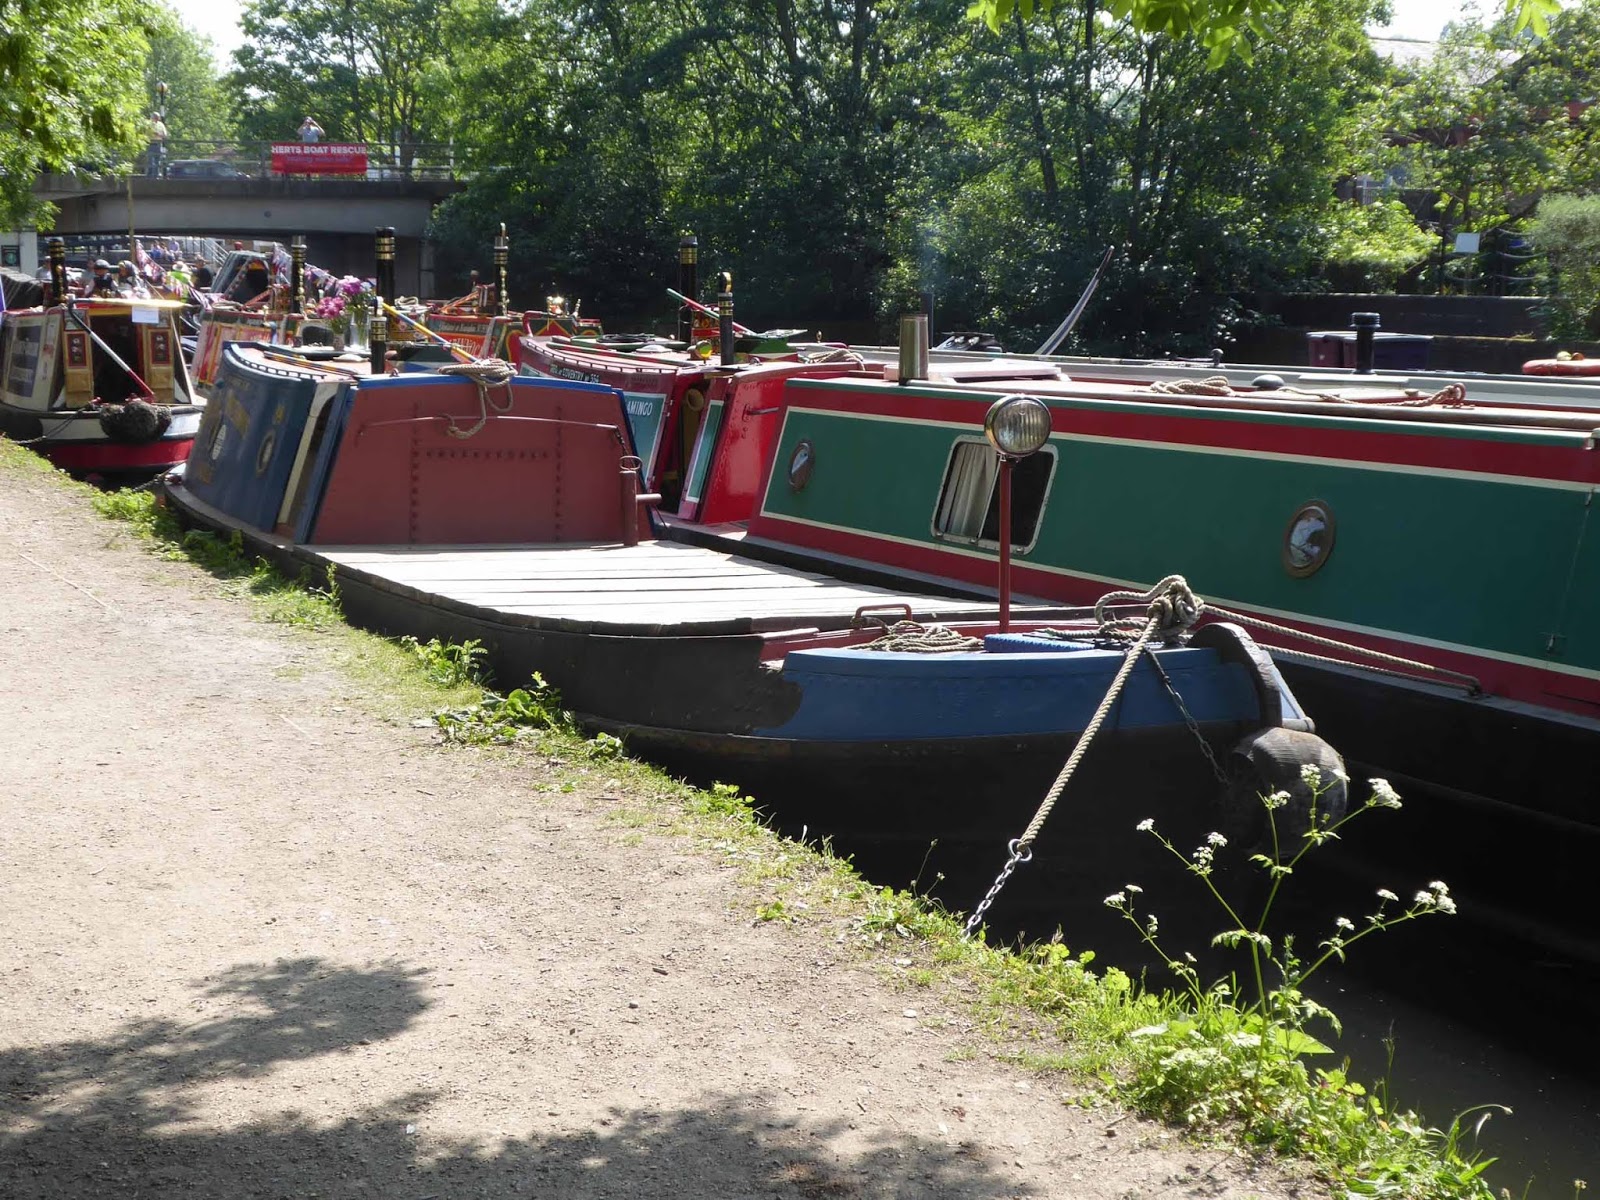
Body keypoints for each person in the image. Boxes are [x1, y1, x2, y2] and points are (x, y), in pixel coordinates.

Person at [146, 112, 168, 178]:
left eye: (157, 118)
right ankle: (150, 176)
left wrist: (158, 134)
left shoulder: (161, 125)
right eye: (155, 117)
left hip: (158, 144)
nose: (156, 119)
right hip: (150, 143)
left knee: (157, 161)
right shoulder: (148, 124)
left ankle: (156, 176)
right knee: (151, 161)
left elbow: (165, 135)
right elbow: (145, 133)